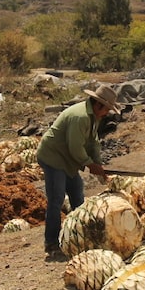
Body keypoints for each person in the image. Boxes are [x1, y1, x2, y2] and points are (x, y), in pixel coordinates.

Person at [36, 84, 119, 261]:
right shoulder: (80, 117)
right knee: (57, 199)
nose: (106, 114)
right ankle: (51, 243)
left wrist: (98, 165)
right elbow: (75, 148)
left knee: (77, 196)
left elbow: (93, 143)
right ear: (98, 105)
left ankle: (81, 234)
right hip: (53, 158)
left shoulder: (93, 117)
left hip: (67, 160)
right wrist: (90, 165)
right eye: (107, 110)